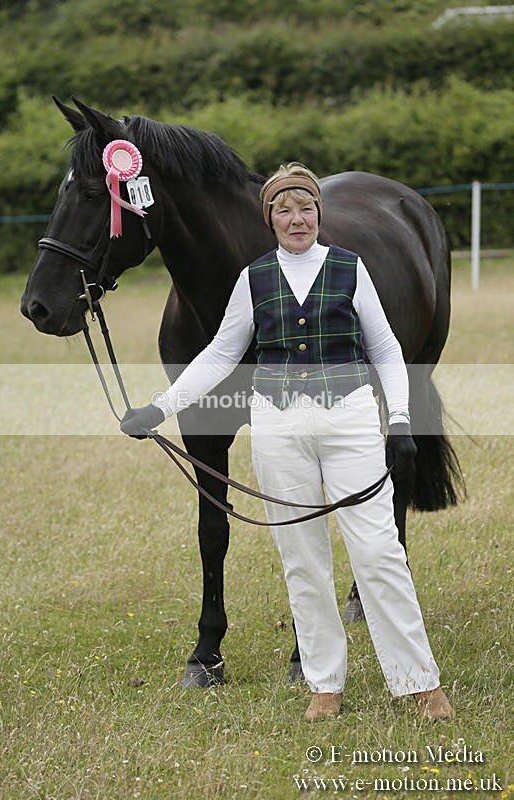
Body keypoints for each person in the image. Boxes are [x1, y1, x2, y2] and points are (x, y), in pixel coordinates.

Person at [121, 162, 453, 723]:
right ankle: (325, 683)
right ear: (270, 219)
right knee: (303, 560)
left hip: (349, 422)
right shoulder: (253, 279)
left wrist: (399, 420)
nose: (296, 219)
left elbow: (386, 348)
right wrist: (161, 406)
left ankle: (419, 681)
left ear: (318, 213)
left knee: (379, 553)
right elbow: (220, 354)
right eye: (283, 210)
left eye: (305, 208)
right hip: (278, 430)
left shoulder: (350, 268)